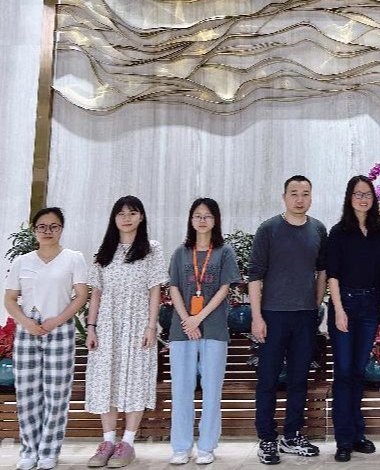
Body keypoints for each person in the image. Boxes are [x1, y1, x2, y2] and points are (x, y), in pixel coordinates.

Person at [249, 175, 327, 465]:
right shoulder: (268, 229)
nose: (299, 199)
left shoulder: (318, 229)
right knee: (268, 379)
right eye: (294, 193)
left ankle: (292, 435)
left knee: (299, 379)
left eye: (305, 193)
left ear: (311, 197)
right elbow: (254, 276)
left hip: (305, 317)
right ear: (284, 197)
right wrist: (257, 317)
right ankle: (267, 438)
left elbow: (322, 271)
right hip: (272, 315)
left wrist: (315, 305)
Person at [85, 196, 168, 468]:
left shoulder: (151, 249)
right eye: (121, 214)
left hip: (138, 323)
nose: (126, 218)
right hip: (107, 325)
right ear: (114, 218)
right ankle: (108, 441)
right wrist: (91, 327)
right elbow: (96, 293)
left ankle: (128, 443)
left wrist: (151, 325)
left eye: (132, 213)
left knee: (136, 379)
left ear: (141, 217)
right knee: (105, 379)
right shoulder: (104, 251)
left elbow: (155, 290)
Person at [4, 207, 88, 470]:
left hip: (59, 329)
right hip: (27, 330)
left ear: (61, 229)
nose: (47, 231)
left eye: (54, 226)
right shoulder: (23, 261)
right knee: (27, 393)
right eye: (42, 226)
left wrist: (58, 320)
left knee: (56, 393)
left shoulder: (73, 258)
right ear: (34, 230)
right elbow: (10, 299)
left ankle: (49, 450)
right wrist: (26, 322)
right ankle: (29, 450)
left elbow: (81, 296)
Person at [167, 198, 241, 465]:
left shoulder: (224, 252)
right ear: (190, 220)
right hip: (182, 330)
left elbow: (224, 289)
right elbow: (174, 287)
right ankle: (181, 447)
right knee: (181, 390)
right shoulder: (180, 252)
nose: (202, 220)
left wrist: (198, 317)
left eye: (207, 216)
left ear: (215, 220)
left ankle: (207, 446)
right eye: (197, 215)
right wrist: (187, 319)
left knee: (211, 390)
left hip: (213, 329)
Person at [326, 175, 380, 462]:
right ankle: (343, 438)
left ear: (373, 199)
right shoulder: (339, 231)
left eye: (367, 194)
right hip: (345, 304)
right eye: (357, 194)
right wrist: (339, 310)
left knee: (358, 372)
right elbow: (332, 275)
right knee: (342, 372)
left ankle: (357, 435)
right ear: (349, 198)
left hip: (371, 306)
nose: (362, 199)